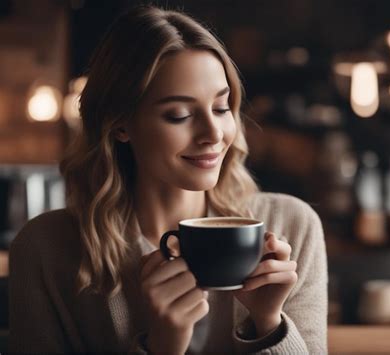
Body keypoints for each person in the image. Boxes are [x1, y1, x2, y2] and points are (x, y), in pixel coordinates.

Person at [8, 5, 327, 354]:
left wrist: (268, 323)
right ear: (120, 125)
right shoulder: (46, 251)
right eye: (179, 115)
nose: (213, 134)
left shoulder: (292, 226)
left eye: (222, 108)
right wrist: (162, 346)